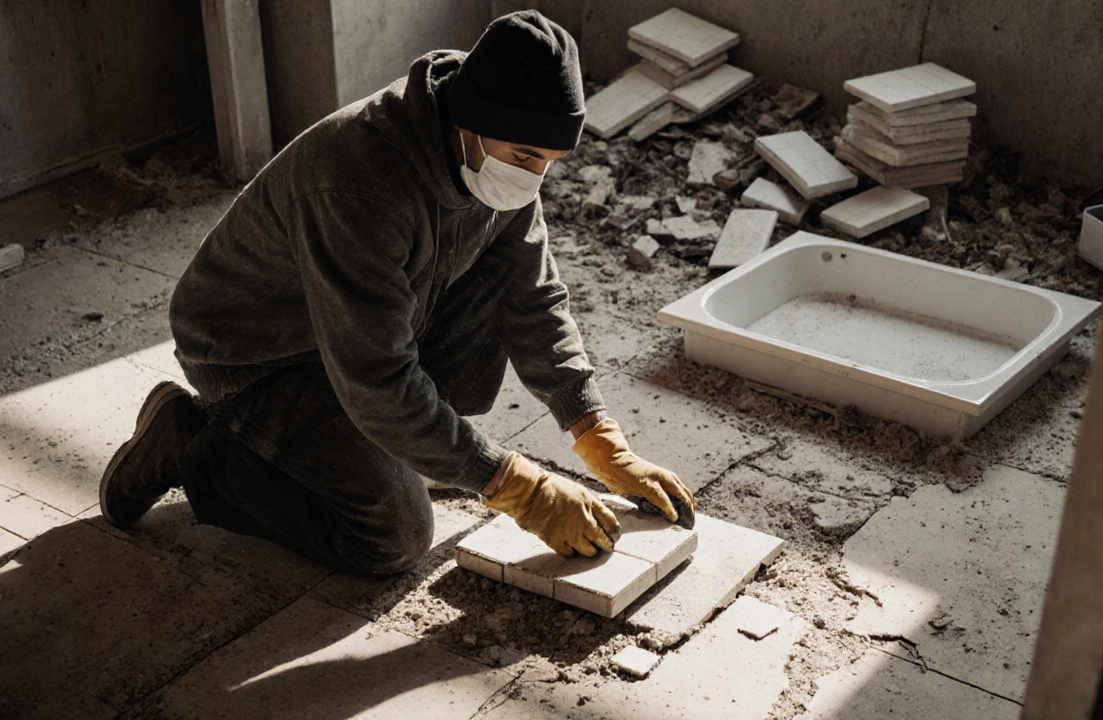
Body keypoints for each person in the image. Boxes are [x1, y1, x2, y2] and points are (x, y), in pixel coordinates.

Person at [97, 10, 695, 574]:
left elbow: (532, 295)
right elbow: (376, 377)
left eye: (551, 162)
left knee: (496, 291)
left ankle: (397, 447)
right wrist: (515, 485)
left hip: (355, 325)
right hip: (254, 352)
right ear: (471, 123)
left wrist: (597, 435)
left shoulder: (493, 148)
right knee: (393, 535)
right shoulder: (359, 183)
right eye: (526, 157)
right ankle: (195, 448)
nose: (535, 177)